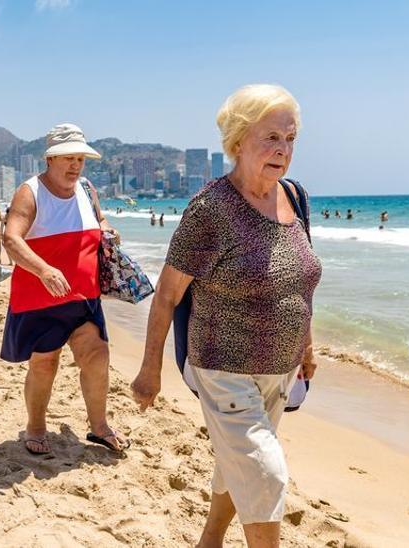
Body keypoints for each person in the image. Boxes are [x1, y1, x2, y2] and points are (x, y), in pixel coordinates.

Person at [131, 84, 321, 548]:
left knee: (239, 466)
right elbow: (167, 295)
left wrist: (308, 345)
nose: (282, 149)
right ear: (238, 142)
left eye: (290, 138)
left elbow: (299, 278)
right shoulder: (211, 209)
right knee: (266, 473)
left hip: (280, 367)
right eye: (270, 137)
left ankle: (210, 540)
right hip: (223, 367)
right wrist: (149, 369)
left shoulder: (295, 198)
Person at [0, 122, 128, 455]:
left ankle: (99, 427)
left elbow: (98, 222)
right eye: (67, 158)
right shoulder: (30, 192)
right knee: (45, 363)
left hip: (84, 296)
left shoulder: (86, 189)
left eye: (80, 159)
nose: (75, 165)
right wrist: (43, 269)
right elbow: (11, 239)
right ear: (50, 159)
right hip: (42, 298)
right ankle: (36, 427)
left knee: (98, 356)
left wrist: (108, 230)